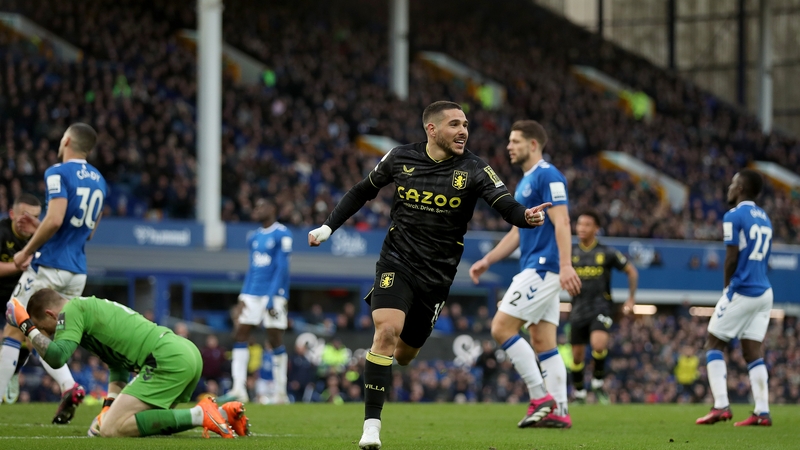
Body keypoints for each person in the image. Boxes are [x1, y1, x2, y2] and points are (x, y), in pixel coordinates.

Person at [308, 101, 549, 449]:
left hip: (436, 276)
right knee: (385, 330)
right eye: (455, 124)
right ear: (432, 130)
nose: (463, 131)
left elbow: (504, 204)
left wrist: (525, 216)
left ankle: (390, 359)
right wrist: (328, 227)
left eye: (465, 125)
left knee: (404, 355)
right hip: (397, 261)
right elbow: (363, 190)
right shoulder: (400, 158)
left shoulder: (475, 168)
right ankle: (371, 428)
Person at [5, 288, 250, 438]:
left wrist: (26, 325)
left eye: (45, 329)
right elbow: (117, 365)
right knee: (140, 423)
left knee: (112, 429)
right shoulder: (87, 310)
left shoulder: (71, 311)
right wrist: (108, 406)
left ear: (51, 315)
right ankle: (224, 415)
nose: (48, 335)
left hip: (165, 358)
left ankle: (199, 413)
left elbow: (57, 357)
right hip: (183, 353)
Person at [470, 120, 581, 429]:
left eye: (515, 141)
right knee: (543, 341)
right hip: (537, 266)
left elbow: (562, 221)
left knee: (501, 327)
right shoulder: (524, 182)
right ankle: (559, 410)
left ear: (533, 144)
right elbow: (517, 232)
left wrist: (566, 264)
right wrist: (488, 260)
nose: (509, 146)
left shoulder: (548, 175)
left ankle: (539, 397)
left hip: (544, 267)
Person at [0, 123, 106, 424]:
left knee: (13, 325)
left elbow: (56, 219)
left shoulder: (58, 172)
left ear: (67, 140)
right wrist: (42, 227)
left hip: (49, 266)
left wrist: (26, 251)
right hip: (77, 271)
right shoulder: (100, 181)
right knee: (43, 335)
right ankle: (69, 387)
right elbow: (88, 232)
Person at [696, 169, 774, 427]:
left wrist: (726, 289)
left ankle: (720, 406)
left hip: (743, 289)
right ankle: (762, 412)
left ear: (740, 188)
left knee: (713, 343)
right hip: (765, 292)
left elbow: (732, 257)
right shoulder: (765, 218)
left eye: (733, 183)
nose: (729, 187)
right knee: (752, 351)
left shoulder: (733, 215)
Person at [227, 198, 292, 404]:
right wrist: (242, 295)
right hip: (252, 293)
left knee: (274, 337)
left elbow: (282, 268)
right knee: (240, 333)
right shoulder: (253, 236)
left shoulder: (282, 233)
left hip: (274, 293)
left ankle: (280, 392)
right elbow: (252, 268)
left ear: (272, 209)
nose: (256, 209)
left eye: (260, 206)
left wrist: (272, 297)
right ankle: (239, 388)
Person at [568, 210, 638, 403]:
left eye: (587, 224)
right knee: (577, 356)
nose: (582, 228)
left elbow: (631, 271)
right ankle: (580, 393)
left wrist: (631, 299)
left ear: (596, 229)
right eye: (579, 224)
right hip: (577, 307)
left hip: (601, 306)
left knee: (598, 344)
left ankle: (598, 382)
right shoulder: (570, 252)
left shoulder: (607, 252)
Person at [0, 194, 42, 404]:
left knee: (29, 336)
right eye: (24, 215)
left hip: (21, 294)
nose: (29, 221)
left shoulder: (41, 236)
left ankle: (13, 371)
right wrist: (18, 265)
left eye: (34, 217)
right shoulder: (2, 232)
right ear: (11, 214)